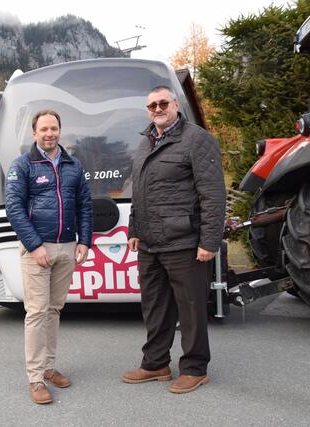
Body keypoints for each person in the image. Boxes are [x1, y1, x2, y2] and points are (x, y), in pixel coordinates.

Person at [122, 86, 226, 394]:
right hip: (151, 244)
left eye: (162, 102)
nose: (157, 108)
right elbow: (138, 191)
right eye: (151, 104)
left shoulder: (197, 140)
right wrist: (133, 229)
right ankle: (155, 364)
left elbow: (213, 194)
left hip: (184, 241)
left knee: (191, 307)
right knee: (155, 307)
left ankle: (195, 368)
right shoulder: (145, 143)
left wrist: (209, 241)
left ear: (175, 105)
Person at [6, 110, 92, 404]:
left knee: (54, 310)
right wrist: (34, 245)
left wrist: (85, 242)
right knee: (37, 312)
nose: (49, 133)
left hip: (67, 248)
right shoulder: (23, 165)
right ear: (34, 133)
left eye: (54, 128)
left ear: (59, 131)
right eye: (43, 129)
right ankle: (35, 379)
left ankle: (49, 367)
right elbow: (14, 209)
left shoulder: (73, 165)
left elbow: (84, 205)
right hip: (37, 250)